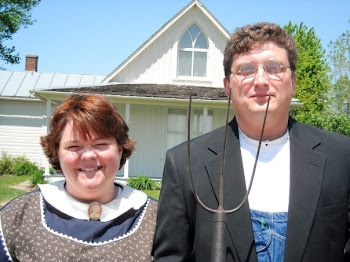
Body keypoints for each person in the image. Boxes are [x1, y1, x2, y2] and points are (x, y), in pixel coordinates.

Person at [153, 22, 350, 261]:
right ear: (228, 86)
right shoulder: (185, 163)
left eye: (274, 67)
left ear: (293, 82)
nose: (260, 81)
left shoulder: (341, 157)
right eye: (246, 69)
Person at [0, 93, 157, 261]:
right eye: (74, 146)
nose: (88, 155)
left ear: (119, 149)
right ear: (57, 153)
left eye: (101, 144)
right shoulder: (19, 215)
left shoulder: (155, 219)